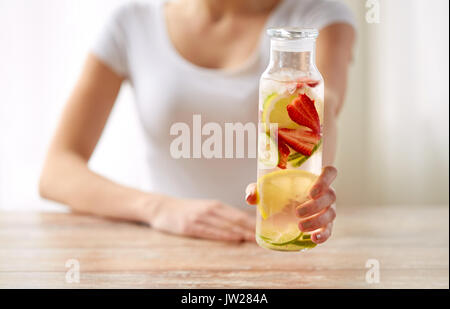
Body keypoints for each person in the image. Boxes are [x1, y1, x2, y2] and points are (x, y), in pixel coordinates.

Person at [39, 0, 355, 244]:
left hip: (273, 245)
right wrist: (158, 208)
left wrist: (312, 192)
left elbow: (323, 106)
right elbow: (57, 171)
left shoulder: (317, 16)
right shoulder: (133, 21)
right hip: (164, 243)